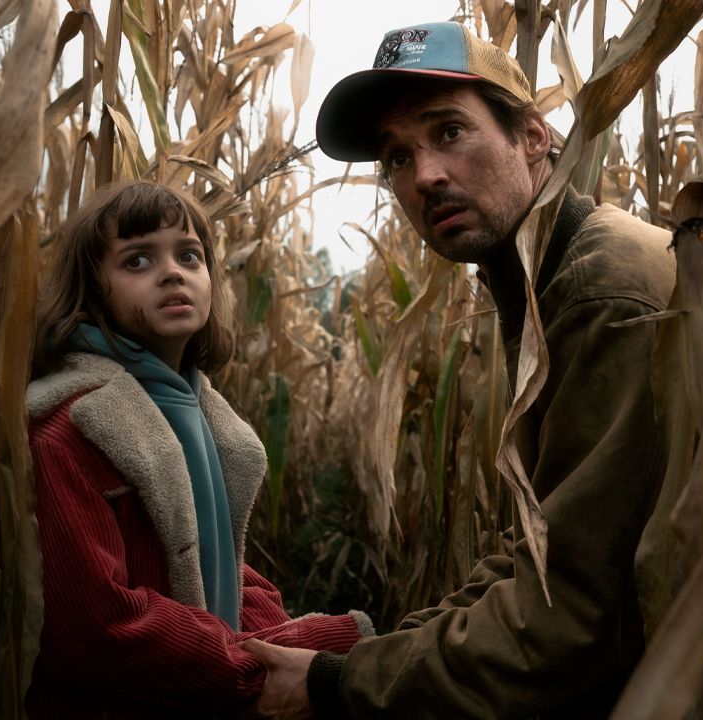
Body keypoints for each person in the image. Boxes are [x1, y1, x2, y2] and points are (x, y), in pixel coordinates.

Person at [241, 21, 676, 719]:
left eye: (449, 132)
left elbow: (573, 613)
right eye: (397, 157)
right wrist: (371, 654)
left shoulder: (601, 291)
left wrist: (336, 685)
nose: (425, 177)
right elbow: (540, 546)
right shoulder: (542, 283)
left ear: (531, 136)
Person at [24, 180, 374, 719]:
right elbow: (94, 627)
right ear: (91, 290)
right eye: (137, 260)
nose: (172, 272)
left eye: (189, 256)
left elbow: (220, 566)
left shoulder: (200, 414)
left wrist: (312, 642)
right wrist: (259, 671)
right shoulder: (72, 432)